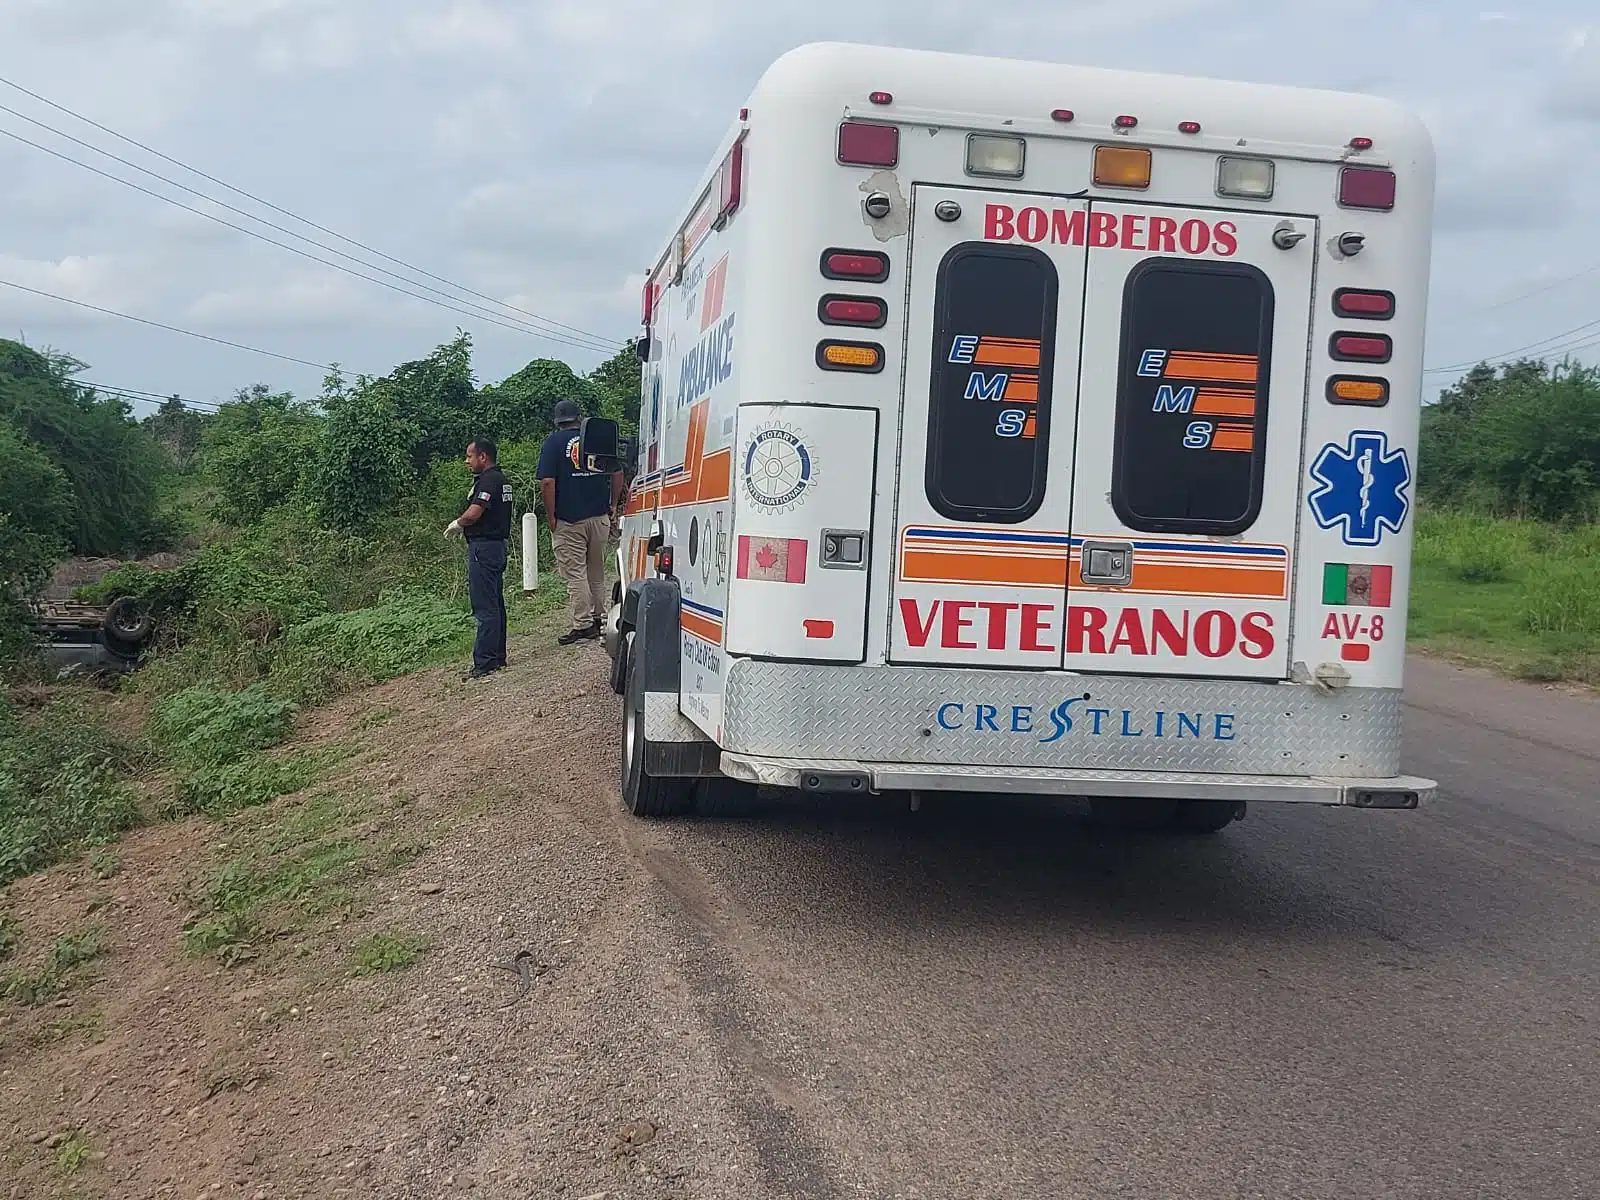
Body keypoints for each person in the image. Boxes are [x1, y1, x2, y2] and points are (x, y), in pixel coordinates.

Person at [537, 398, 625, 646]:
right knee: (596, 571)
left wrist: (551, 515)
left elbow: (547, 482)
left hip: (569, 519)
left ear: (557, 421)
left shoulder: (553, 443)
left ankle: (583, 624)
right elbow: (618, 472)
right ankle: (599, 619)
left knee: (575, 573)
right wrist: (613, 504)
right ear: (579, 418)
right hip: (599, 516)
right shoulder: (597, 438)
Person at [445, 437, 512, 679]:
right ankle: (497, 656)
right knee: (495, 603)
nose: (467, 461)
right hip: (497, 546)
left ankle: (484, 661)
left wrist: (459, 523)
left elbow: (475, 512)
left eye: (469, 456)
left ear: (483, 457)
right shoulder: (501, 479)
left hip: (483, 548)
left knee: (484, 606)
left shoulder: (489, 480)